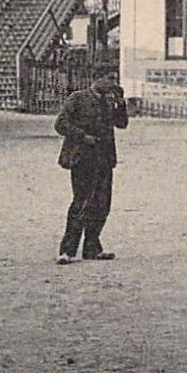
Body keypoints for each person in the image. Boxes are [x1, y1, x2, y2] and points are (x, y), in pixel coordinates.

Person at [54, 67, 128, 263]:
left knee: (102, 204)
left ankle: (92, 248)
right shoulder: (77, 98)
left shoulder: (110, 100)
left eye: (115, 79)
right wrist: (82, 137)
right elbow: (60, 124)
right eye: (110, 78)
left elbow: (122, 124)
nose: (114, 83)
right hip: (83, 158)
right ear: (97, 78)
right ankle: (67, 251)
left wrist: (121, 104)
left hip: (104, 158)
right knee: (82, 202)